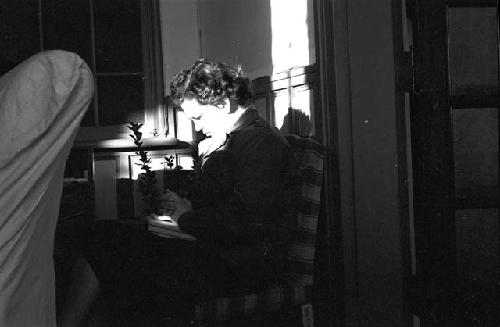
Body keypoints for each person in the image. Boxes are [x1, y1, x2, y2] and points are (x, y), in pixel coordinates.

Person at [57, 59, 298, 326]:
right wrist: (188, 198)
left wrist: (184, 218)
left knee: (106, 247)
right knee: (104, 241)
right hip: (216, 252)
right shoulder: (233, 139)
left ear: (224, 105)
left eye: (199, 117)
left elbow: (247, 222)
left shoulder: (260, 143)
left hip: (242, 266)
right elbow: (215, 202)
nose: (196, 127)